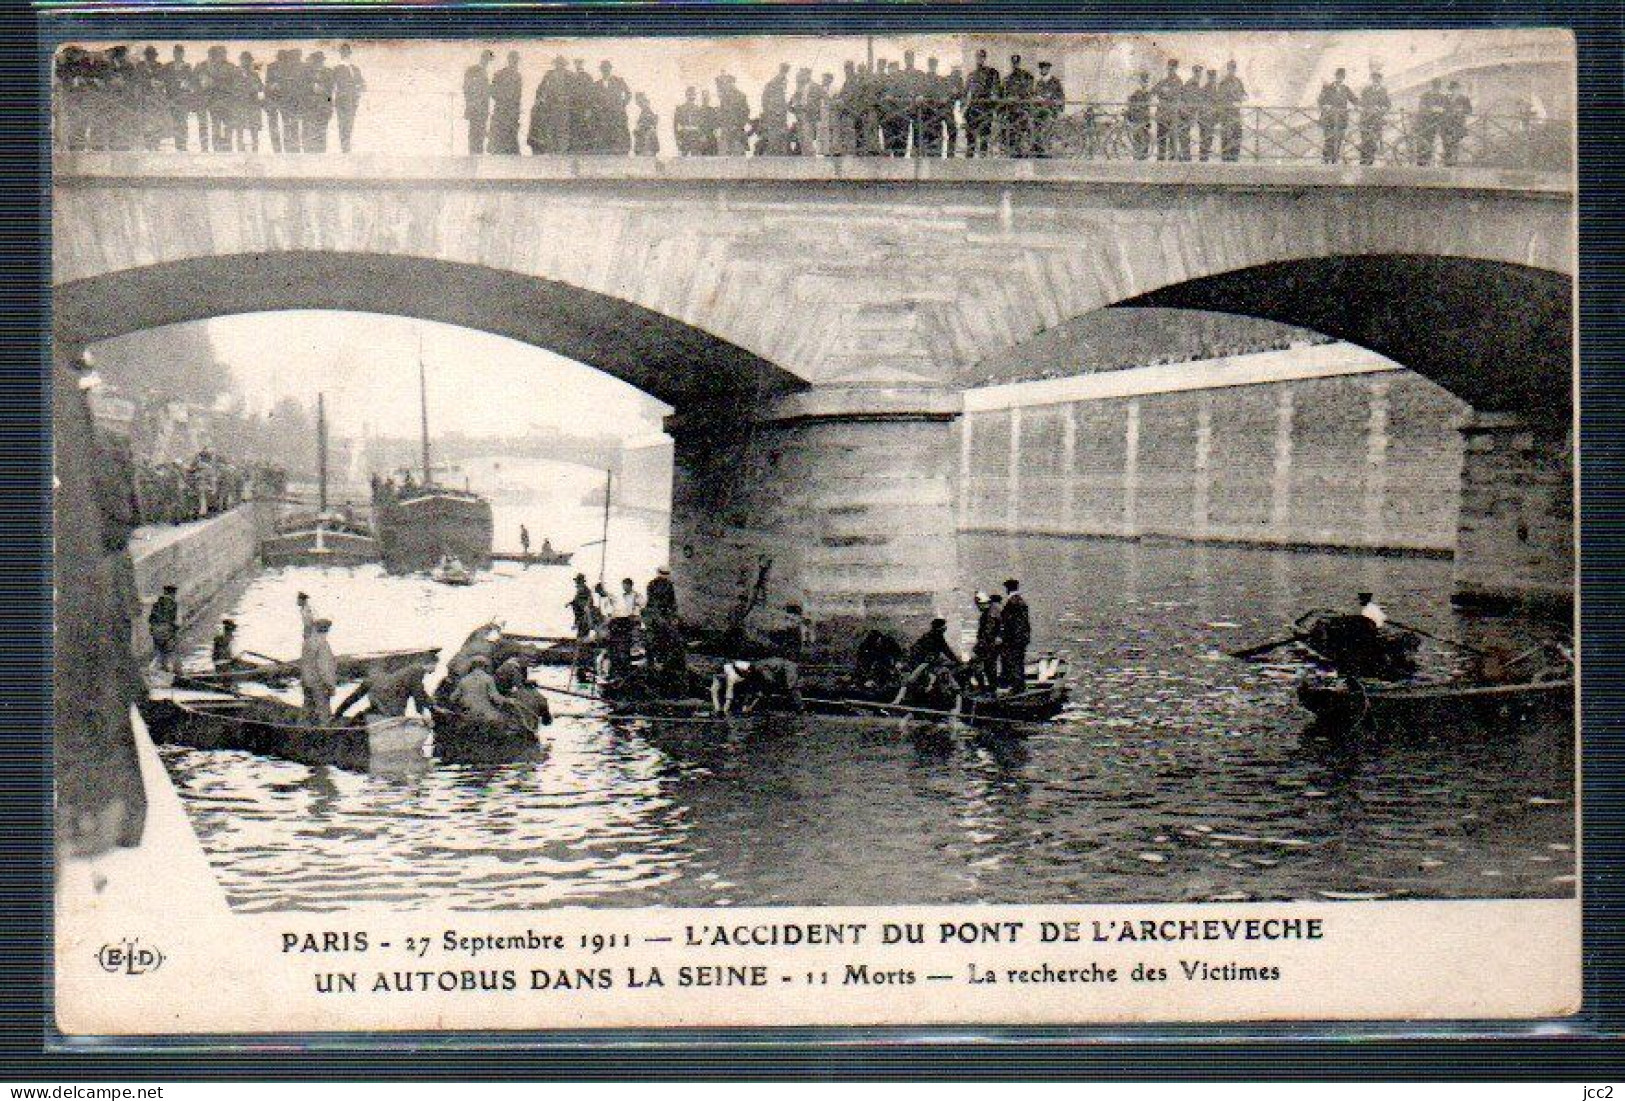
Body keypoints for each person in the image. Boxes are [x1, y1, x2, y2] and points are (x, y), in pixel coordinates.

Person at [335, 652, 437, 720]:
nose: (435, 669)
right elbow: (418, 693)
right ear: (430, 663)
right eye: (435, 666)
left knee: (373, 710)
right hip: (389, 698)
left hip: (380, 695)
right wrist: (422, 715)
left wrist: (432, 706)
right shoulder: (417, 671)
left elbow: (421, 692)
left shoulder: (411, 670)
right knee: (394, 719)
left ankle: (338, 715)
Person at [893, 618, 962, 705]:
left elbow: (915, 648)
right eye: (944, 626)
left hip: (927, 662)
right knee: (911, 679)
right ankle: (899, 699)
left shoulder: (931, 636)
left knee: (913, 678)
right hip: (925, 663)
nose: (945, 628)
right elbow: (947, 651)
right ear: (939, 627)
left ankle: (899, 698)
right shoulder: (935, 637)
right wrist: (957, 661)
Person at [297, 592, 339, 724]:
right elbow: (324, 669)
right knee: (324, 714)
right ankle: (325, 734)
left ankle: (300, 729)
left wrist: (304, 606)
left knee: (306, 710)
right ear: (326, 629)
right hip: (319, 685)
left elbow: (306, 621)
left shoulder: (308, 642)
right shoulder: (323, 645)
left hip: (306, 682)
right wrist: (331, 686)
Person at [711, 657, 802, 715]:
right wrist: (748, 706)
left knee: (791, 687)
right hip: (776, 669)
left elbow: (765, 686)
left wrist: (749, 706)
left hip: (787, 667)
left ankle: (799, 709)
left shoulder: (759, 671)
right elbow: (755, 690)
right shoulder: (752, 673)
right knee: (765, 689)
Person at [604, 577, 644, 680]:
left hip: (631, 622)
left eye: (626, 585)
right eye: (623, 585)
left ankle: (626, 670)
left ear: (630, 585)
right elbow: (617, 609)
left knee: (626, 646)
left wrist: (635, 615)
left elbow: (641, 608)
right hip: (621, 622)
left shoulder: (637, 596)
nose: (624, 587)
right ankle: (615, 671)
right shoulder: (622, 597)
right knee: (616, 647)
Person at [450, 655, 508, 726]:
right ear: (484, 666)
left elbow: (452, 698)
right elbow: (495, 698)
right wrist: (507, 700)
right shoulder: (488, 679)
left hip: (467, 714)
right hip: (485, 714)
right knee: (503, 721)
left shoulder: (464, 680)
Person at [527, 57, 570, 154]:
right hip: (551, 106)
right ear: (555, 64)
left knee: (563, 129)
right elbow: (541, 88)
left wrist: (566, 98)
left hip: (564, 106)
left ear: (564, 65)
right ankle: (551, 150)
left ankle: (562, 151)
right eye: (558, 64)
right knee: (550, 128)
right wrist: (539, 100)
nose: (560, 66)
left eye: (561, 64)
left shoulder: (569, 75)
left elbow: (573, 90)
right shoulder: (549, 74)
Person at [963, 48, 1000, 157]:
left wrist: (993, 99)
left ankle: (983, 161)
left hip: (985, 107)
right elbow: (965, 92)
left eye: (982, 57)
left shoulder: (992, 73)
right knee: (970, 137)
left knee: (984, 136)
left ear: (985, 58)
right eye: (978, 57)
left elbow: (996, 89)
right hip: (972, 108)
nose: (980, 59)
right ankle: (968, 160)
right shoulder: (971, 75)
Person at [997, 578, 1031, 691]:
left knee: (1014, 661)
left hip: (1014, 639)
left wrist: (1006, 638)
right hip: (1021, 637)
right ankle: (1016, 684)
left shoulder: (1012, 602)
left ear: (1007, 589)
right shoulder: (1021, 601)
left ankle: (1017, 686)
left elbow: (1011, 623)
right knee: (1018, 661)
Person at [1317, 67, 1357, 164]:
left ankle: (1335, 160)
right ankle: (1326, 159)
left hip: (1342, 118)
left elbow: (1354, 99)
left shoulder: (1345, 89)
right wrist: (1325, 106)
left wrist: (1358, 105)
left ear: (1343, 78)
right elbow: (1320, 100)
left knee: (1339, 138)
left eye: (1342, 77)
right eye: (1338, 76)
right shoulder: (1327, 87)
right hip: (1329, 117)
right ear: (1335, 76)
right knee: (1329, 138)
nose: (1340, 78)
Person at [485, 51, 522, 155]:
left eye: (516, 61)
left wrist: (516, 112)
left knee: (511, 134)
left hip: (511, 111)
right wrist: (503, 97)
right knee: (498, 133)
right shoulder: (499, 74)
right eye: (513, 60)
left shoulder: (518, 76)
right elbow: (492, 91)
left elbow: (518, 97)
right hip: (501, 109)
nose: (515, 63)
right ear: (509, 60)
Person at [332, 44, 364, 153]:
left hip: (353, 100)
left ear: (350, 54)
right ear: (341, 54)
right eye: (343, 53)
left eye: (347, 53)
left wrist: (360, 87)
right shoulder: (336, 69)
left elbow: (362, 83)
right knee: (343, 123)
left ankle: (347, 145)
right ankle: (344, 147)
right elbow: (332, 85)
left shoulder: (355, 69)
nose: (345, 55)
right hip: (341, 100)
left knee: (350, 123)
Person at [301, 50, 335, 152]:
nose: (318, 63)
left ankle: (321, 153)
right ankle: (308, 152)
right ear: (313, 61)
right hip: (309, 108)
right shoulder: (306, 72)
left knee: (322, 131)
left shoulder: (329, 72)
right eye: (316, 60)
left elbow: (330, 92)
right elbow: (300, 88)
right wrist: (311, 87)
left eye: (320, 60)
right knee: (308, 131)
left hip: (323, 107)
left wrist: (330, 105)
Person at [1002, 54, 1035, 156]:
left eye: (1017, 63)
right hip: (1011, 110)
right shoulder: (1008, 79)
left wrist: (1019, 97)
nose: (1015, 65)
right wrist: (1008, 98)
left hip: (1023, 109)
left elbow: (1029, 92)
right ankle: (1012, 151)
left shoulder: (1027, 76)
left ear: (1019, 63)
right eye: (1013, 63)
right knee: (1010, 131)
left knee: (1024, 131)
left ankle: (1025, 151)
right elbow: (1004, 93)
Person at [597, 60, 632, 155]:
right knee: (606, 135)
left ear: (610, 69)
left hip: (618, 113)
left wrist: (622, 105)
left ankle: (621, 153)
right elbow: (594, 99)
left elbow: (628, 94)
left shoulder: (619, 80)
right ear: (601, 70)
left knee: (619, 133)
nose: (605, 70)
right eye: (603, 69)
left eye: (607, 68)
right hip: (604, 115)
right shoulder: (597, 84)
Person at [970, 591, 1003, 690]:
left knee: (984, 666)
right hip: (989, 645)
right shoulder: (991, 611)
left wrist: (979, 645)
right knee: (989, 667)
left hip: (988, 646)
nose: (978, 607)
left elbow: (988, 631)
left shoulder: (990, 613)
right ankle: (990, 687)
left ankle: (986, 688)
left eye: (978, 605)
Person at [462, 49, 493, 155]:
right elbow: (467, 88)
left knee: (479, 137)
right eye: (486, 59)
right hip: (476, 109)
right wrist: (472, 103)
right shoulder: (473, 70)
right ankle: (473, 160)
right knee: (475, 136)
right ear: (482, 58)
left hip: (482, 110)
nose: (487, 62)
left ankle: (476, 159)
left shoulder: (483, 72)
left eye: (489, 61)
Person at [231, 52, 263, 153]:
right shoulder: (234, 73)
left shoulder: (254, 74)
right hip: (239, 104)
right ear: (240, 61)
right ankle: (240, 149)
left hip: (252, 104)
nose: (246, 62)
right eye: (244, 60)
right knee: (239, 128)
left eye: (249, 61)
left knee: (254, 128)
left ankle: (255, 149)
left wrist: (256, 86)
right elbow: (231, 87)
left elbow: (261, 87)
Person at [1152, 59, 1183, 161]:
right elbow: (1154, 90)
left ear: (1176, 68)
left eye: (1173, 67)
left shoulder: (1178, 81)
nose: (1171, 69)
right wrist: (1164, 92)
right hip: (1162, 115)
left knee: (1172, 142)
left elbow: (1173, 95)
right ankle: (1160, 161)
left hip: (1172, 115)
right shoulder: (1163, 81)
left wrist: (1164, 93)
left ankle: (1172, 164)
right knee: (1161, 140)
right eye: (1169, 67)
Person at [1357, 70, 1389, 166]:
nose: (1376, 80)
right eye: (1374, 78)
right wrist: (1370, 108)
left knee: (1374, 141)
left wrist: (1382, 108)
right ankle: (1363, 162)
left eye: (1378, 78)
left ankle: (1370, 162)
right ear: (1372, 79)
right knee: (1365, 140)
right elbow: (1362, 102)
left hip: (1377, 120)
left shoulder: (1383, 91)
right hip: (1366, 118)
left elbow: (1387, 104)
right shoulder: (1366, 90)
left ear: (1380, 80)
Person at [1216, 60, 1246, 162]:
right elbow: (1220, 98)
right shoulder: (1223, 82)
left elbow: (1244, 95)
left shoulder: (1238, 81)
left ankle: (1235, 159)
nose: (1232, 70)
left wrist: (1240, 98)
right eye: (1230, 68)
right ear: (1228, 69)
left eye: (1233, 68)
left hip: (1236, 114)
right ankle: (1226, 160)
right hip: (1227, 114)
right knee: (1226, 137)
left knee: (1237, 136)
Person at [1413, 78, 1448, 166]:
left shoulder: (1442, 97)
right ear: (1432, 86)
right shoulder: (1425, 96)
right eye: (1435, 86)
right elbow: (1421, 107)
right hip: (1425, 122)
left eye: (1438, 86)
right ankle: (1421, 163)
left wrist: (1441, 110)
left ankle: (1431, 162)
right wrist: (1432, 109)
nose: (1436, 88)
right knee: (1423, 142)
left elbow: (1446, 108)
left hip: (1437, 123)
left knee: (1433, 141)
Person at [148, 583, 180, 675]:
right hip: (166, 631)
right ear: (172, 593)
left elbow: (151, 618)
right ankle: (173, 672)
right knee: (169, 651)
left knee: (159, 651)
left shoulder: (157, 603)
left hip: (156, 630)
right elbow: (171, 619)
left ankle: (157, 670)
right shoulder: (173, 604)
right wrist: (174, 628)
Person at [1033, 61, 1063, 157]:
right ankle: (1039, 148)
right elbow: (1035, 95)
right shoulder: (1039, 82)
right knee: (1037, 127)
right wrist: (1038, 99)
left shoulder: (1055, 81)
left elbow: (1060, 96)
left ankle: (1047, 149)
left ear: (1048, 69)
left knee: (1048, 129)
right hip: (1040, 110)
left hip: (1052, 110)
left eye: (1045, 68)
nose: (1043, 70)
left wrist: (1053, 102)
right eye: (1042, 69)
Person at [1441, 80, 1471, 166]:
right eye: (1452, 89)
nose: (1454, 91)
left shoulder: (1464, 99)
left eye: (1456, 89)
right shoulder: (1446, 98)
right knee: (1446, 143)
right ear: (1450, 90)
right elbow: (1443, 109)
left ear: (1459, 89)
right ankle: (1447, 163)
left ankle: (1455, 162)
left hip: (1458, 124)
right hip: (1447, 124)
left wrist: (1461, 110)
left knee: (1455, 143)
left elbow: (1469, 110)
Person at [1125, 71, 1152, 160]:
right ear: (1140, 81)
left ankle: (1142, 158)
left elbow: (1147, 107)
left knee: (1145, 139)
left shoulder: (1147, 92)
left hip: (1144, 119)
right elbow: (1131, 104)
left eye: (1146, 81)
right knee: (1138, 139)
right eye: (1143, 81)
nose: (1145, 83)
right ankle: (1137, 158)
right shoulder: (1137, 92)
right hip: (1137, 118)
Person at [1196, 66, 1218, 161]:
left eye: (1213, 77)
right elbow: (1201, 103)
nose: (1212, 79)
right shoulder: (1205, 89)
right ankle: (1203, 158)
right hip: (1205, 117)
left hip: (1211, 117)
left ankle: (1205, 157)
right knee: (1205, 138)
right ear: (1208, 78)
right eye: (1211, 77)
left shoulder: (1216, 88)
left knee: (1209, 138)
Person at [673, 86, 701, 155]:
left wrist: (700, 137)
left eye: (693, 94)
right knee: (683, 157)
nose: (691, 96)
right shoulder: (680, 109)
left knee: (695, 158)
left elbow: (701, 125)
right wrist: (677, 139)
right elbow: (675, 126)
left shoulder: (698, 109)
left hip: (695, 136)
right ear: (686, 95)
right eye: (689, 94)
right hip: (684, 136)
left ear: (695, 96)